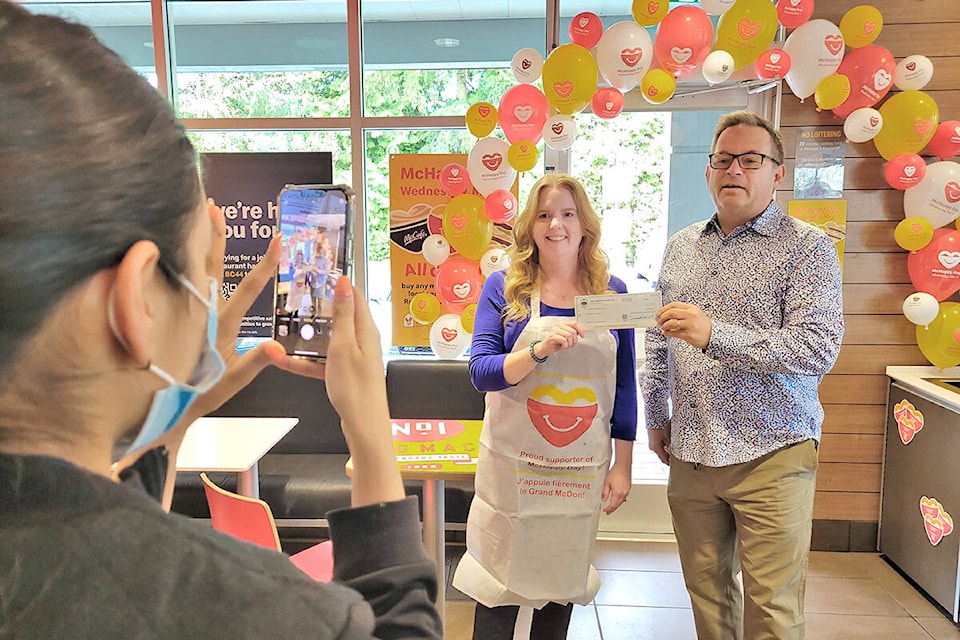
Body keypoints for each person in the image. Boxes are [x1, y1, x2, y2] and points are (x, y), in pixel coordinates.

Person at [0, 4, 441, 638]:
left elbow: (102, 532)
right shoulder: (267, 615)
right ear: (137, 302)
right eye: (200, 274)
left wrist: (180, 402)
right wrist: (371, 434)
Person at [641, 111, 844, 640]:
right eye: (724, 159)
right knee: (707, 595)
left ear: (777, 173)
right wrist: (655, 413)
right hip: (692, 450)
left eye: (751, 160)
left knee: (772, 607)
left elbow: (815, 348)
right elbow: (658, 337)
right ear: (708, 171)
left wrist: (715, 335)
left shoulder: (808, 247)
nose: (735, 169)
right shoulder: (682, 245)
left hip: (773, 451)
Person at [453, 173, 637, 639]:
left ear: (584, 224)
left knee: (560, 585)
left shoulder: (611, 293)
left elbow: (625, 384)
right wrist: (535, 352)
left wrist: (624, 465)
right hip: (515, 469)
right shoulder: (504, 288)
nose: (557, 224)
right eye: (545, 214)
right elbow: (480, 371)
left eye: (568, 214)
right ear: (530, 227)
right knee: (497, 586)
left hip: (578, 469)